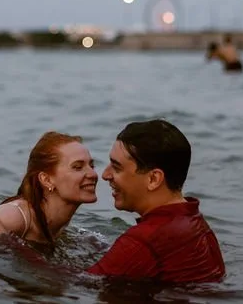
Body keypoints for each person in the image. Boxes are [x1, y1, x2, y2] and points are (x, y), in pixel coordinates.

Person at [88, 119, 225, 283]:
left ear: (153, 179)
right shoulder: (199, 226)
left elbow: (82, 286)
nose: (105, 175)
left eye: (117, 167)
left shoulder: (143, 242)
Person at [0, 131, 98, 245]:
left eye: (92, 166)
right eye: (77, 167)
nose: (93, 174)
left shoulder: (62, 228)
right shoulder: (13, 218)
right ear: (47, 180)